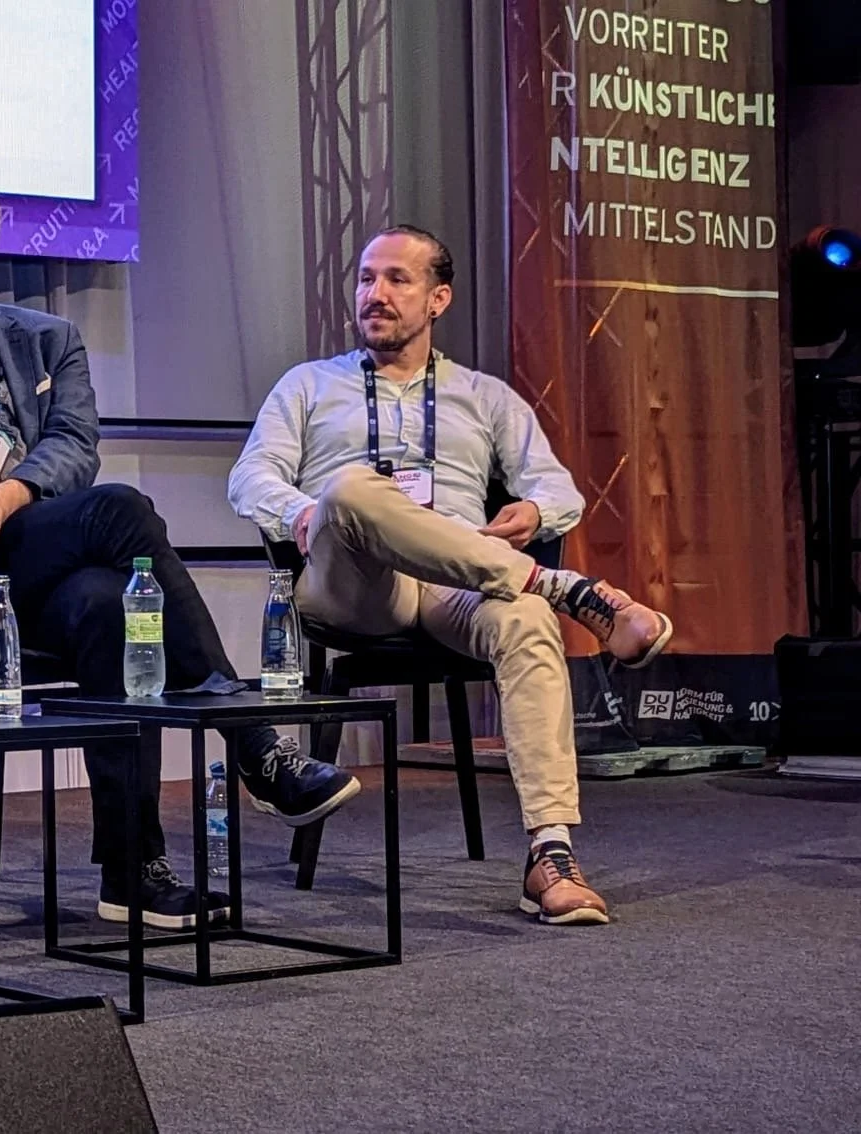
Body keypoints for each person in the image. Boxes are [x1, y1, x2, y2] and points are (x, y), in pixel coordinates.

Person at [0, 170, 359, 930]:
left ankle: (131, 874)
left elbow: (73, 447)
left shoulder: (46, 340)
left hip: (25, 555)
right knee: (122, 512)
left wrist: (10, 495)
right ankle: (252, 740)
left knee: (108, 605)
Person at [226, 224, 676, 926]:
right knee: (353, 488)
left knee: (525, 621)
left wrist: (532, 508)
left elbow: (559, 493)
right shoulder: (308, 386)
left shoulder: (486, 397)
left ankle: (550, 852)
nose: (374, 294)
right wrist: (304, 510)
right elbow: (250, 477)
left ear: (439, 298)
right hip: (353, 584)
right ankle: (567, 591)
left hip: (456, 583)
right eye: (366, 278)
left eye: (396, 280)